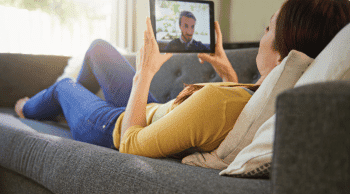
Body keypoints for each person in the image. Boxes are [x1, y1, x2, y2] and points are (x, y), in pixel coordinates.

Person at [15, 0, 350, 158]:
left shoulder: (220, 104)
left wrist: (144, 72)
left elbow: (130, 144)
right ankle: (69, 110)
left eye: (267, 28)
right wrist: (228, 73)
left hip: (114, 128)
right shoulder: (273, 100)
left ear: (282, 55)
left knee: (64, 86)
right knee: (99, 48)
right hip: (151, 111)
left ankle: (29, 107)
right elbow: (234, 112)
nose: (260, 36)